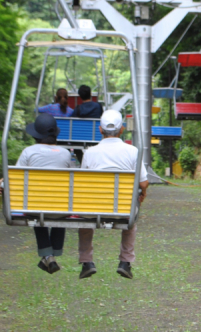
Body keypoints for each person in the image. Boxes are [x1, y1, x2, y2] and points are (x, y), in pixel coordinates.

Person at [77, 110, 148, 280]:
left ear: (100, 130)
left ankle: (87, 261)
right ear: (122, 129)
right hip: (122, 209)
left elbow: (82, 182)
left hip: (93, 209)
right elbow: (143, 182)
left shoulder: (90, 152)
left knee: (84, 219)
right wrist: (142, 194)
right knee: (132, 215)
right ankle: (125, 262)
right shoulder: (132, 151)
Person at [0, 113, 72, 274]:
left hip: (35, 207)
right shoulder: (66, 153)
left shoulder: (28, 152)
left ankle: (48, 256)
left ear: (36, 135)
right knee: (63, 208)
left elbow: (15, 179)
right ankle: (53, 253)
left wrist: (2, 183)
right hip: (62, 208)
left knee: (36, 209)